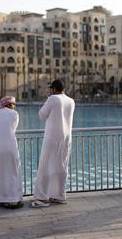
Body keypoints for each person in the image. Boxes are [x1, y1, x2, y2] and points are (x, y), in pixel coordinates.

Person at [31, 80, 75, 208]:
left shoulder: (53, 99)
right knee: (61, 165)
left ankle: (42, 198)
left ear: (54, 89)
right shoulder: (71, 101)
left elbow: (42, 115)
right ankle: (59, 195)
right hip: (66, 136)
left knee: (45, 166)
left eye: (51, 89)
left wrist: (48, 100)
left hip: (53, 137)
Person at [0, 96, 23, 209]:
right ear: (10, 105)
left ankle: (1, 198)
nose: (14, 106)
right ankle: (13, 199)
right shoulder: (14, 114)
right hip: (11, 147)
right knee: (13, 173)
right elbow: (13, 128)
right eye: (13, 104)